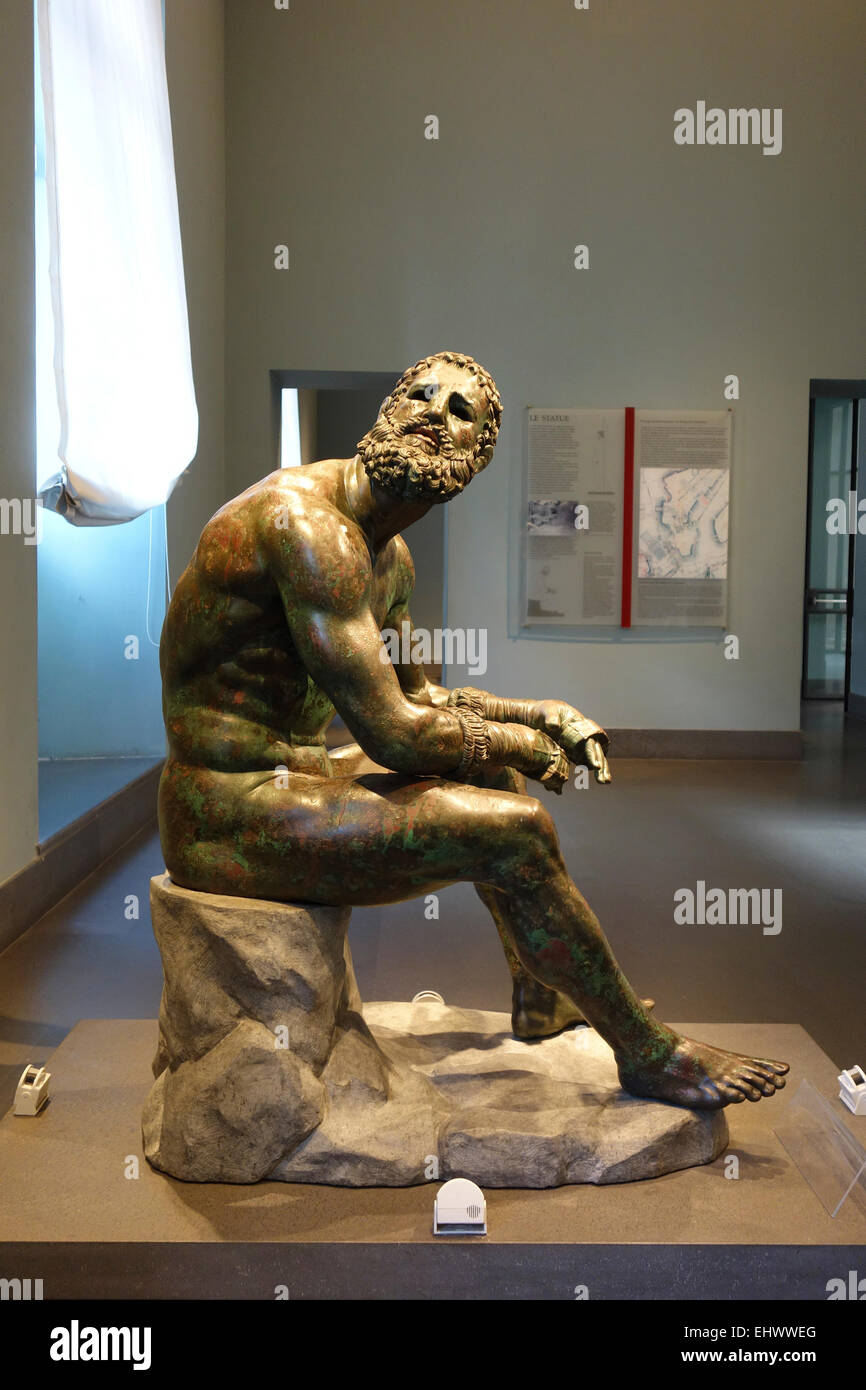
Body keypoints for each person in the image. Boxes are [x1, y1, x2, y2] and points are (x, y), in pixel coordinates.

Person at [158, 350, 788, 1110]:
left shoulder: (387, 556)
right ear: (387, 412)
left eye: (460, 411)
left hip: (294, 782)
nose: (433, 411)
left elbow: (422, 696)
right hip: (223, 809)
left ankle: (538, 996)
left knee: (488, 779)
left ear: (476, 458)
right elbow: (395, 734)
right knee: (514, 830)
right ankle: (650, 1056)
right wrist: (522, 743)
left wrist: (536, 715)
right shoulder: (308, 528)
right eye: (420, 394)